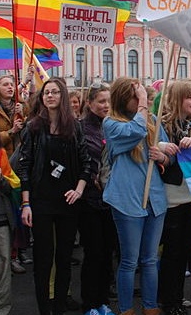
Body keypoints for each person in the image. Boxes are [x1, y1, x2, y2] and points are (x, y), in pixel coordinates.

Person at [19, 77, 92, 315]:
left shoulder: (75, 126)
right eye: (46, 93)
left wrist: (79, 190)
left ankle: (59, 307)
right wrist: (26, 203)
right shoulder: (33, 127)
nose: (49, 96)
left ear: (62, 97)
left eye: (54, 92)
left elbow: (86, 163)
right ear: (42, 98)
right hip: (40, 202)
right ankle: (44, 310)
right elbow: (25, 165)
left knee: (64, 258)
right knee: (43, 259)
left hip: (68, 201)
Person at [103, 77, 175, 315]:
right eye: (137, 96)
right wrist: (145, 102)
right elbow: (135, 130)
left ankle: (150, 306)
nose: (141, 99)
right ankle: (126, 309)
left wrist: (163, 157)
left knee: (150, 259)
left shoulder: (153, 121)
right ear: (125, 98)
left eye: (142, 96)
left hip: (154, 197)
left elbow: (169, 151)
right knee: (129, 260)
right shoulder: (111, 123)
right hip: (126, 198)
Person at [158, 80, 191, 315]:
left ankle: (178, 295)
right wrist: (168, 145)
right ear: (178, 99)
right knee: (172, 252)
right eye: (189, 97)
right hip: (172, 196)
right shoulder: (164, 123)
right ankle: (169, 300)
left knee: (184, 250)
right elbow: (156, 150)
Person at [78, 82, 117, 315]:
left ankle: (102, 300)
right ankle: (90, 303)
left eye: (108, 101)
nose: (106, 105)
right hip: (90, 201)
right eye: (101, 101)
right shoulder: (80, 129)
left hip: (111, 201)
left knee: (107, 253)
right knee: (93, 253)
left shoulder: (112, 127)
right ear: (90, 103)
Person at [0, 120, 20, 315]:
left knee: (1, 270)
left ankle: (1, 310)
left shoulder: (0, 154)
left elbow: (12, 187)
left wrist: (0, 178)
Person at [0, 75, 25, 156]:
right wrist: (11, 131)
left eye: (12, 85)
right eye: (5, 84)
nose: (10, 87)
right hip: (1, 159)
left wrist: (22, 116)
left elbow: (31, 129)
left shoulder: (22, 106)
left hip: (20, 158)